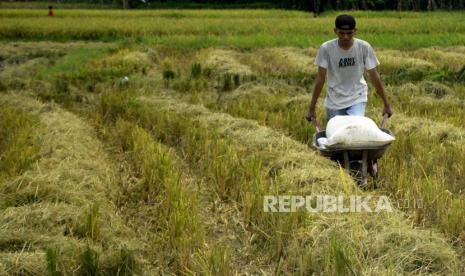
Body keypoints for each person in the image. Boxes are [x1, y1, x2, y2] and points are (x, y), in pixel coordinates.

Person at [306, 14, 393, 124]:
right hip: (334, 99)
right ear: (335, 31)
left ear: (355, 31)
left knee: (354, 126)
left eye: (349, 33)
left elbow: (374, 76)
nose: (345, 37)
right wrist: (311, 108)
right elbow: (320, 79)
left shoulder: (363, 47)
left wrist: (386, 104)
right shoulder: (326, 48)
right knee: (337, 131)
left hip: (357, 96)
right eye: (341, 33)